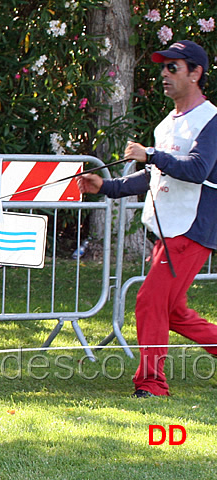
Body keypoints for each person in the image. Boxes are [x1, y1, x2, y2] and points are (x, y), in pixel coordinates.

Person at [77, 40, 217, 397]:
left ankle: (152, 384)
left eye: (173, 67)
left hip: (192, 229)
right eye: (163, 67)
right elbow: (153, 178)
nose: (164, 74)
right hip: (166, 229)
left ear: (196, 72)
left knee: (149, 301)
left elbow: (198, 167)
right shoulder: (166, 124)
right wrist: (105, 186)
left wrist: (151, 154)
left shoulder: (211, 120)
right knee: (172, 311)